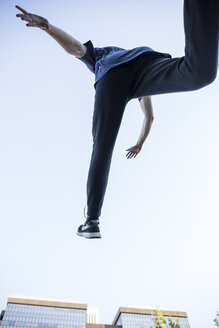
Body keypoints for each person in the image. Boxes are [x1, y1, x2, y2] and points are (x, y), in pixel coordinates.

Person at [16, 0, 219, 239]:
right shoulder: (128, 72)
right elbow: (149, 116)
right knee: (196, 74)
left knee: (102, 147)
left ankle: (91, 219)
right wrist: (140, 142)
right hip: (147, 64)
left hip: (115, 76)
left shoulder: (98, 58)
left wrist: (47, 27)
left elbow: (75, 48)